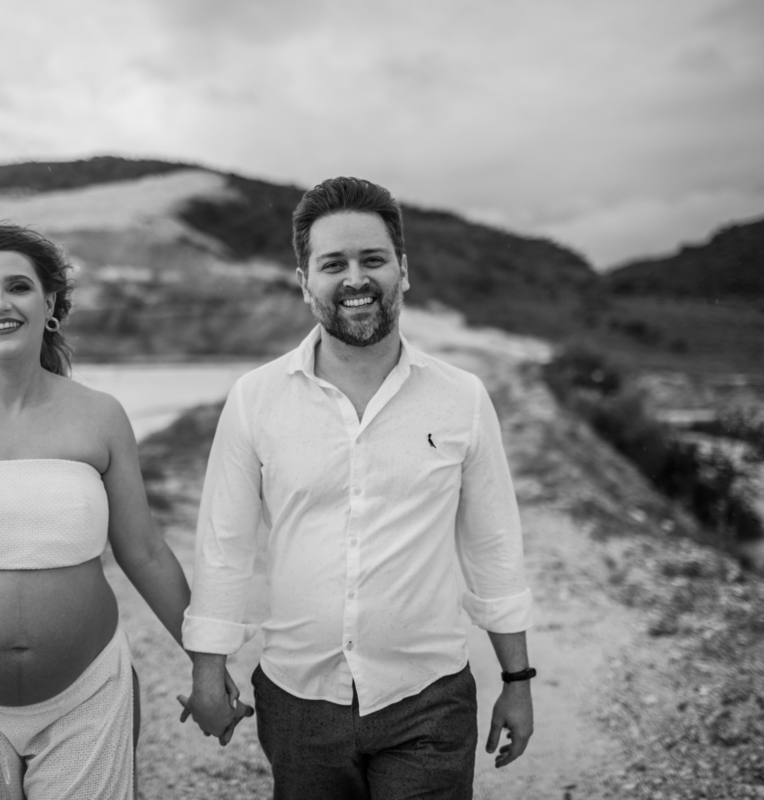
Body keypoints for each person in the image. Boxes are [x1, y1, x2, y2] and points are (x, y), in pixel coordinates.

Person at [0, 222, 249, 799]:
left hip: (88, 694)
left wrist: (207, 668)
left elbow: (143, 551)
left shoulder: (101, 416)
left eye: (18, 286)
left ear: (50, 305)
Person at [180, 177, 536, 798]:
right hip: (297, 698)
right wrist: (208, 670)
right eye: (333, 263)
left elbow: (494, 549)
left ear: (403, 270)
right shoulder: (255, 399)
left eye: (372, 260)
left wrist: (518, 679)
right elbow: (224, 545)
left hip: (428, 697)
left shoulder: (462, 399)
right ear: (304, 280)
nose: (355, 278)